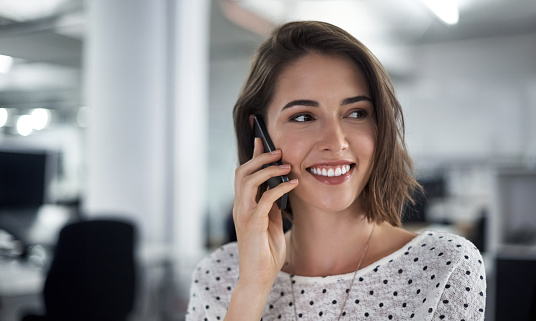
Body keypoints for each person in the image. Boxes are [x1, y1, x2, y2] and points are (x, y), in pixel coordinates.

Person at [186, 21, 486, 320]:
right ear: (260, 134)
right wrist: (252, 287)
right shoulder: (218, 275)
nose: (336, 142)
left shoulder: (444, 265)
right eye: (303, 116)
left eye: (356, 113)